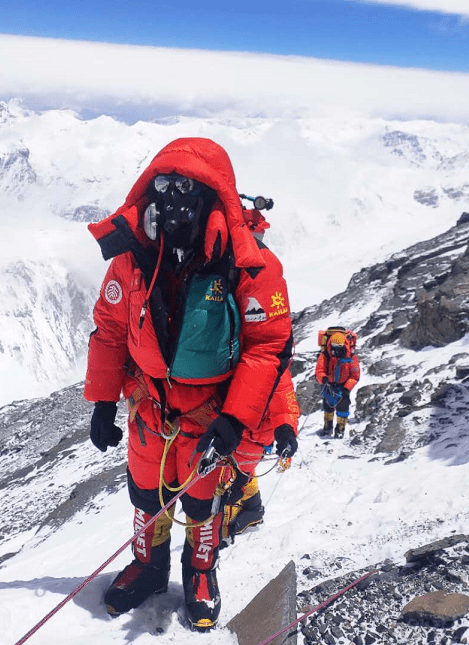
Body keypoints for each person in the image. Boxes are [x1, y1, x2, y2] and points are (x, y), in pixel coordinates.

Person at [83, 137, 296, 630]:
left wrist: (236, 417)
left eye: (186, 188)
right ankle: (148, 566)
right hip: (148, 405)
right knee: (145, 493)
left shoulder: (249, 263)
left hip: (209, 412)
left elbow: (268, 345)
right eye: (163, 185)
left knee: (202, 500)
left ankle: (200, 570)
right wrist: (102, 402)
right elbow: (112, 327)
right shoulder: (132, 254)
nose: (173, 199)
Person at [219, 368, 299, 547]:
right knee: (240, 472)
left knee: (228, 482)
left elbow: (282, 398)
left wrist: (286, 431)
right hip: (240, 430)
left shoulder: (273, 362)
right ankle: (253, 509)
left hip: (250, 433)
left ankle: (223, 533)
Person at [315, 329, 360, 438]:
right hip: (328, 384)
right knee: (327, 406)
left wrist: (347, 388)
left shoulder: (351, 357)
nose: (336, 349)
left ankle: (340, 430)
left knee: (343, 408)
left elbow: (355, 375)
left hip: (343, 385)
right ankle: (327, 428)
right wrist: (323, 378)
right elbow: (319, 370)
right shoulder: (325, 355)